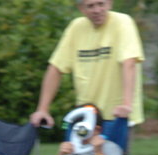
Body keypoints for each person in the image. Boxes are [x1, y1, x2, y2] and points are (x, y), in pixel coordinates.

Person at [29, 0, 144, 128]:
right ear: (81, 8)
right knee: (70, 138)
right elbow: (55, 68)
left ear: (110, 3)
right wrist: (43, 109)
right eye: (90, 6)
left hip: (116, 116)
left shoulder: (122, 22)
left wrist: (126, 105)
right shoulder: (76, 27)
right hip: (86, 115)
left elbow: (129, 63)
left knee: (113, 142)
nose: (97, 10)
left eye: (101, 4)